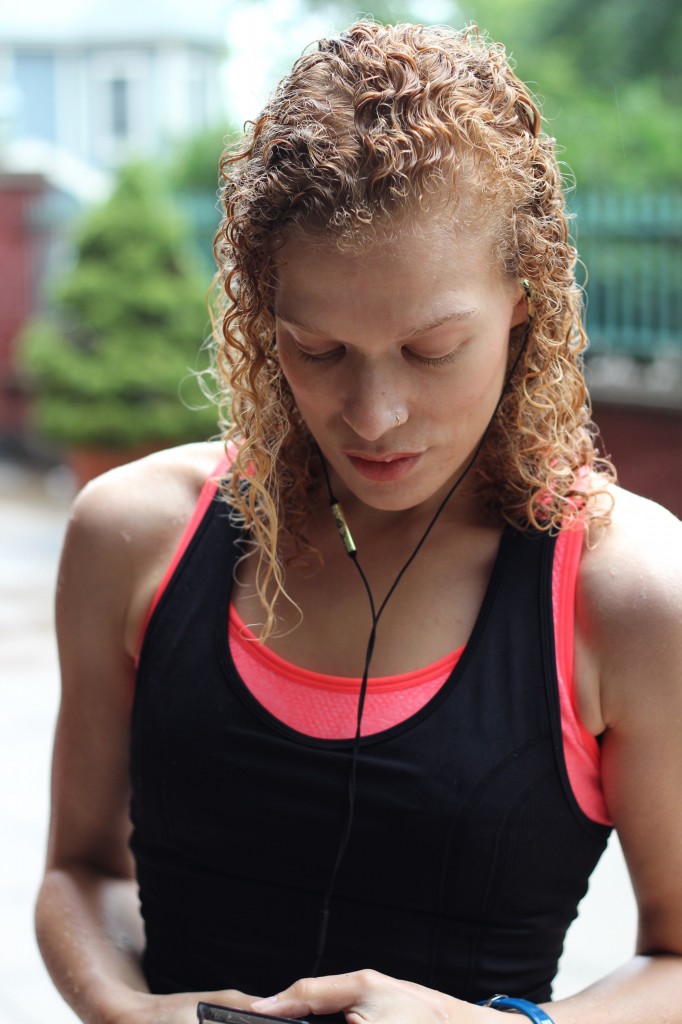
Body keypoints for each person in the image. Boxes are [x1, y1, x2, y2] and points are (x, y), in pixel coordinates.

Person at [35, 19, 682, 1024]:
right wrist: (128, 1010)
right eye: (319, 349)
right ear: (262, 320)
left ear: (525, 299)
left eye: (432, 351)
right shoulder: (134, 536)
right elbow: (80, 869)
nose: (374, 417)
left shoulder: (628, 593)